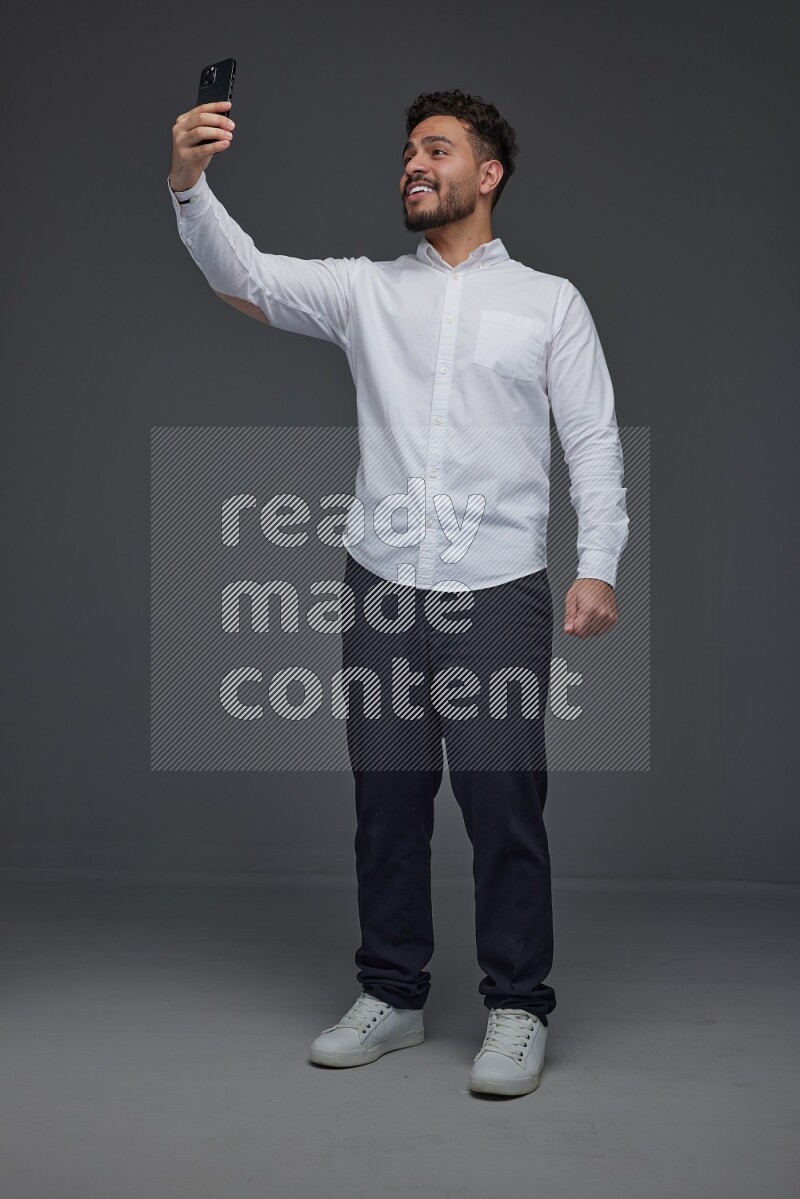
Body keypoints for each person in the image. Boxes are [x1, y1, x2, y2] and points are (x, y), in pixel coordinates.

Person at [167, 88, 629, 1098]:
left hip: (498, 589)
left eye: (435, 149)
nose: (411, 164)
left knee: (503, 802)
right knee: (386, 803)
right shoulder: (365, 290)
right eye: (407, 152)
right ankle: (392, 993)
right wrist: (190, 181)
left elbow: (589, 440)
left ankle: (515, 1005)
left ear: (487, 172)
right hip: (381, 589)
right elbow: (241, 276)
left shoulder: (547, 302)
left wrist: (596, 562)